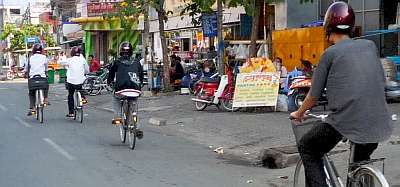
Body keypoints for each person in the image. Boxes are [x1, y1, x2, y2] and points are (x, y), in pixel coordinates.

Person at [290, 2, 393, 187]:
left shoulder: (329, 54)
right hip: (379, 120)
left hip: (346, 120)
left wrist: (299, 113)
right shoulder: (369, 46)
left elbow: (313, 96)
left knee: (308, 147)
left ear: (328, 26)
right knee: (359, 162)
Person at [107, 42, 144, 139]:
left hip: (121, 89)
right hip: (135, 89)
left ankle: (118, 117)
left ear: (120, 51)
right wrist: (140, 84)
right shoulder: (136, 61)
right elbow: (141, 75)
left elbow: (111, 75)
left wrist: (109, 82)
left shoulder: (117, 62)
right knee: (134, 105)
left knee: (115, 98)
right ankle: (137, 126)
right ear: (131, 51)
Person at [61, 46, 89, 118]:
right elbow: (87, 70)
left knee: (70, 94)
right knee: (80, 86)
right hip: (80, 81)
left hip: (71, 82)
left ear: (72, 53)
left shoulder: (69, 60)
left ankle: (71, 112)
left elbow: (61, 63)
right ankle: (83, 98)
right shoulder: (83, 60)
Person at [25, 44, 49, 116]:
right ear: (41, 50)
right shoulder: (44, 57)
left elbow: (27, 68)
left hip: (33, 78)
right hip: (42, 77)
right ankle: (45, 99)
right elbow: (46, 68)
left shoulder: (30, 58)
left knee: (31, 92)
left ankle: (33, 108)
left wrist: (26, 73)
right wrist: (46, 73)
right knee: (46, 85)